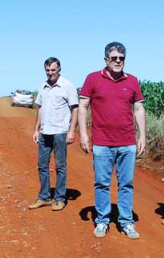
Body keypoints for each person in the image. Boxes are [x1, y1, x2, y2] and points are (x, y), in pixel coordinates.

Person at [78, 41, 146, 239]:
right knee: (102, 183)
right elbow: (83, 106)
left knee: (126, 184)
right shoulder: (92, 79)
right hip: (102, 143)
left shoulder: (132, 81)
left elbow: (139, 109)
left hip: (127, 143)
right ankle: (102, 221)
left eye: (121, 58)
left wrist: (142, 136)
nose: (118, 61)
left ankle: (126, 222)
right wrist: (83, 134)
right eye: (114, 58)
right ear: (106, 59)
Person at [28, 57, 80, 211]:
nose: (50, 73)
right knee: (42, 165)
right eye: (48, 70)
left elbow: (75, 109)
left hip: (60, 132)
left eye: (53, 70)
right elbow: (40, 109)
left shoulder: (67, 86)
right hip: (45, 132)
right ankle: (44, 197)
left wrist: (71, 131)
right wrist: (36, 129)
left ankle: (59, 198)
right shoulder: (43, 86)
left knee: (60, 166)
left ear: (59, 70)